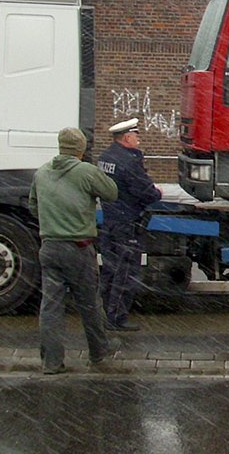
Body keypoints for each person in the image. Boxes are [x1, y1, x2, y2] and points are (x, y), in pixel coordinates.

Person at [28, 127, 120, 375]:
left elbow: (33, 207)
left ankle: (51, 362)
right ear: (81, 149)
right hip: (78, 248)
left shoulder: (42, 173)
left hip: (49, 247)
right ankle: (98, 353)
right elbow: (111, 192)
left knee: (50, 307)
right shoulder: (86, 172)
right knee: (89, 303)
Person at [98, 118, 162, 332]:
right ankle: (116, 319)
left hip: (110, 221)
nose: (138, 139)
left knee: (109, 270)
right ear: (126, 138)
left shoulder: (105, 157)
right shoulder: (129, 161)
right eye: (136, 135)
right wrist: (157, 193)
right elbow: (145, 192)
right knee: (126, 273)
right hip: (127, 224)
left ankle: (102, 314)